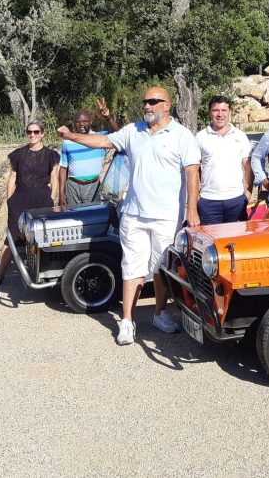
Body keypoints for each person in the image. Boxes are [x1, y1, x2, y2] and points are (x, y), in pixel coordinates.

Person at [57, 86, 200, 345]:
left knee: (161, 268)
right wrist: (71, 136)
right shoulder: (133, 131)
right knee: (132, 267)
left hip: (167, 216)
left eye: (153, 102)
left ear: (167, 105)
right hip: (133, 213)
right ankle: (127, 322)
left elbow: (192, 173)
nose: (147, 106)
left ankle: (159, 313)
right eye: (145, 102)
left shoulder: (182, 135)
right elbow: (102, 141)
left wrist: (191, 209)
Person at [0, 121, 60, 288]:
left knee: (41, 237)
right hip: (20, 198)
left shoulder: (51, 155)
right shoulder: (18, 154)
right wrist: (9, 200)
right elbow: (12, 178)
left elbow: (54, 178)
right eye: (29, 132)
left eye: (36, 132)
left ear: (43, 133)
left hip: (42, 198)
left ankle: (43, 275)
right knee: (11, 237)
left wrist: (52, 198)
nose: (32, 135)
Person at [196, 95, 253, 225]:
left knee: (236, 242)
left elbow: (248, 165)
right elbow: (194, 169)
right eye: (216, 110)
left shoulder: (240, 136)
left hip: (236, 200)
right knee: (211, 243)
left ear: (230, 113)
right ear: (210, 112)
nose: (220, 114)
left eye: (224, 110)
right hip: (208, 200)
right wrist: (196, 195)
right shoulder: (200, 137)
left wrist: (248, 190)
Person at [58, 99, 119, 208]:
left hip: (93, 186)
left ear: (90, 122)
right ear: (74, 123)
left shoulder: (99, 138)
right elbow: (63, 169)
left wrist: (108, 117)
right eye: (78, 121)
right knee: (73, 218)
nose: (81, 124)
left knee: (91, 217)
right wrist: (61, 194)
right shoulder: (67, 141)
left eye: (85, 121)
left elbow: (118, 134)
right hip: (72, 187)